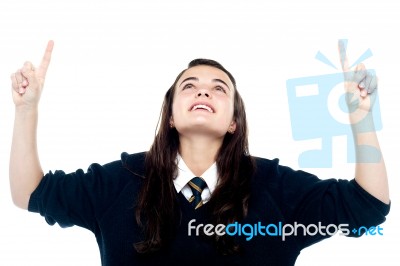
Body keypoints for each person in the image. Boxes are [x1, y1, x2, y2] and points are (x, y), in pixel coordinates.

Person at [9, 40, 390, 266]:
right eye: (189, 86)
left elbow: (369, 206)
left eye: (219, 88)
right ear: (171, 116)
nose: (203, 91)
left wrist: (361, 119)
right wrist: (26, 110)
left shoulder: (276, 188)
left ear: (233, 122)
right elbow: (29, 193)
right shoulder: (119, 182)